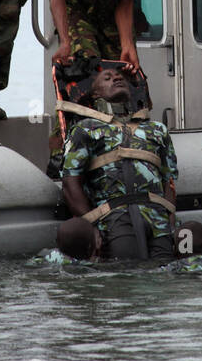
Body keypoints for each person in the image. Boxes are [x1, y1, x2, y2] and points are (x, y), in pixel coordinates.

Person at [60, 65, 177, 261]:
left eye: (119, 76)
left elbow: (169, 181)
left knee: (164, 273)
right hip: (112, 217)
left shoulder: (157, 129)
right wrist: (92, 224)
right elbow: (70, 183)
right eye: (107, 78)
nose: (116, 78)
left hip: (157, 217)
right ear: (95, 93)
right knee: (124, 273)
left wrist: (169, 219)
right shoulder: (85, 129)